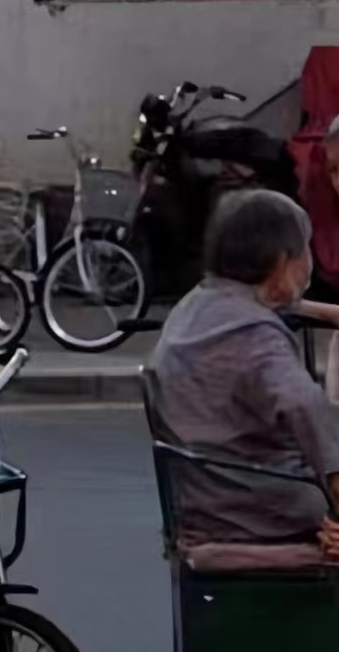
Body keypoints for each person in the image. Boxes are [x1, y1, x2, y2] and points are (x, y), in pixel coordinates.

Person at [146, 190, 339, 557]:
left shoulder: (199, 307)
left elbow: (282, 301)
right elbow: (304, 407)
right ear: (281, 261)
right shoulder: (255, 337)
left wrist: (318, 311)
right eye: (305, 249)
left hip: (209, 493)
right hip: (261, 504)